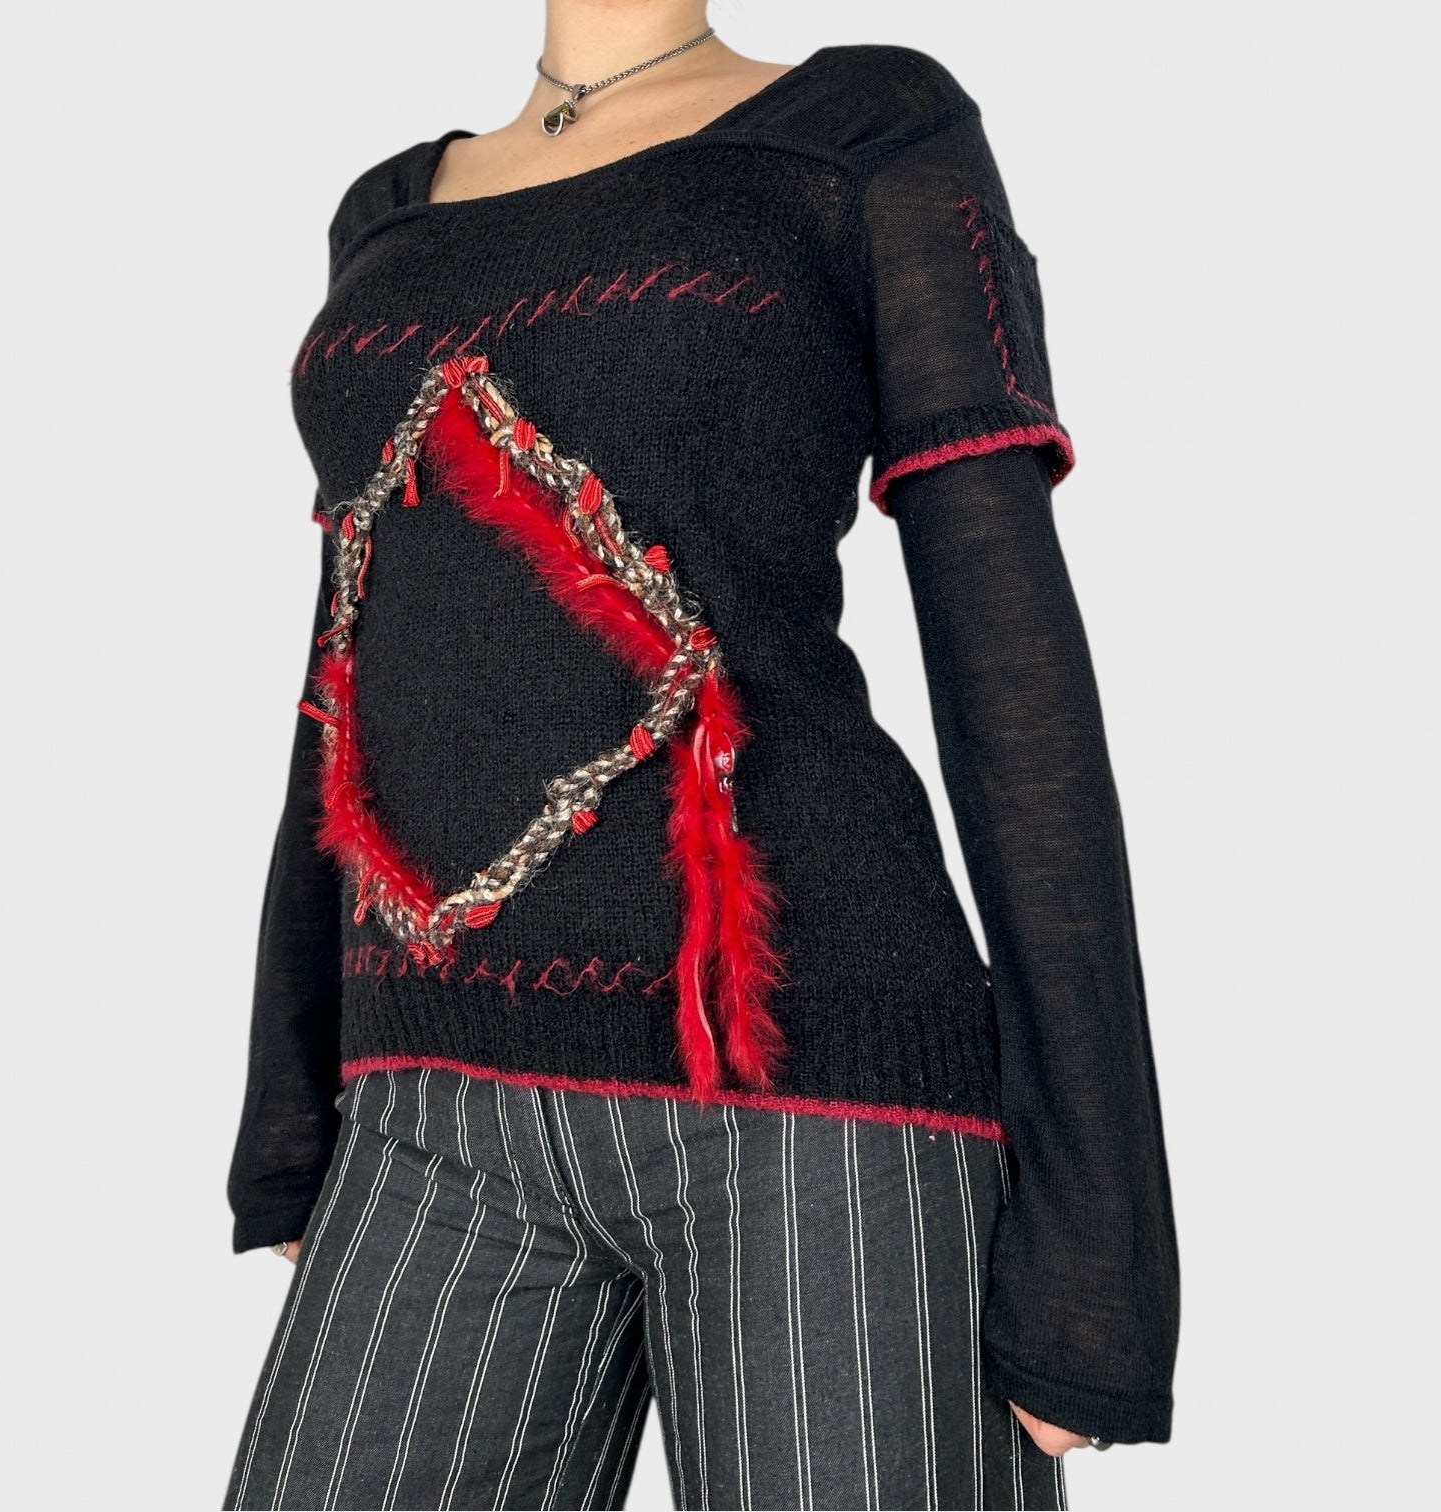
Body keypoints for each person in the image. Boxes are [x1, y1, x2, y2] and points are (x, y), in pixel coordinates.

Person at [223, 7, 1179, 1508]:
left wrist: (1101, 1245)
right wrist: (292, 1099)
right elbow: (351, 646)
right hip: (426, 1105)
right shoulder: (385, 215)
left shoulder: (865, 133)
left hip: (819, 1093)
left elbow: (1016, 679)